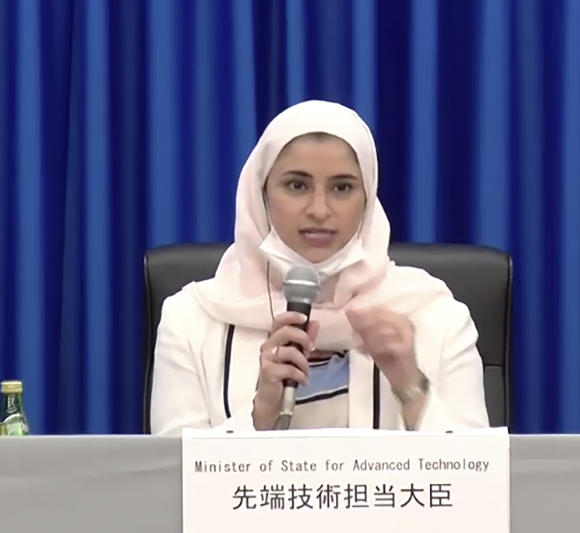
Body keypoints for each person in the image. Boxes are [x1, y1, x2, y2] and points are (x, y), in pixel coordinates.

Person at [151, 100, 488, 435]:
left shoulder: (435, 315)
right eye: (297, 186)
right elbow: (168, 479)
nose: (319, 209)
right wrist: (259, 417)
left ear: (367, 198)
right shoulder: (191, 319)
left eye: (342, 188)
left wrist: (409, 383)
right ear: (261, 193)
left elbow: (481, 478)